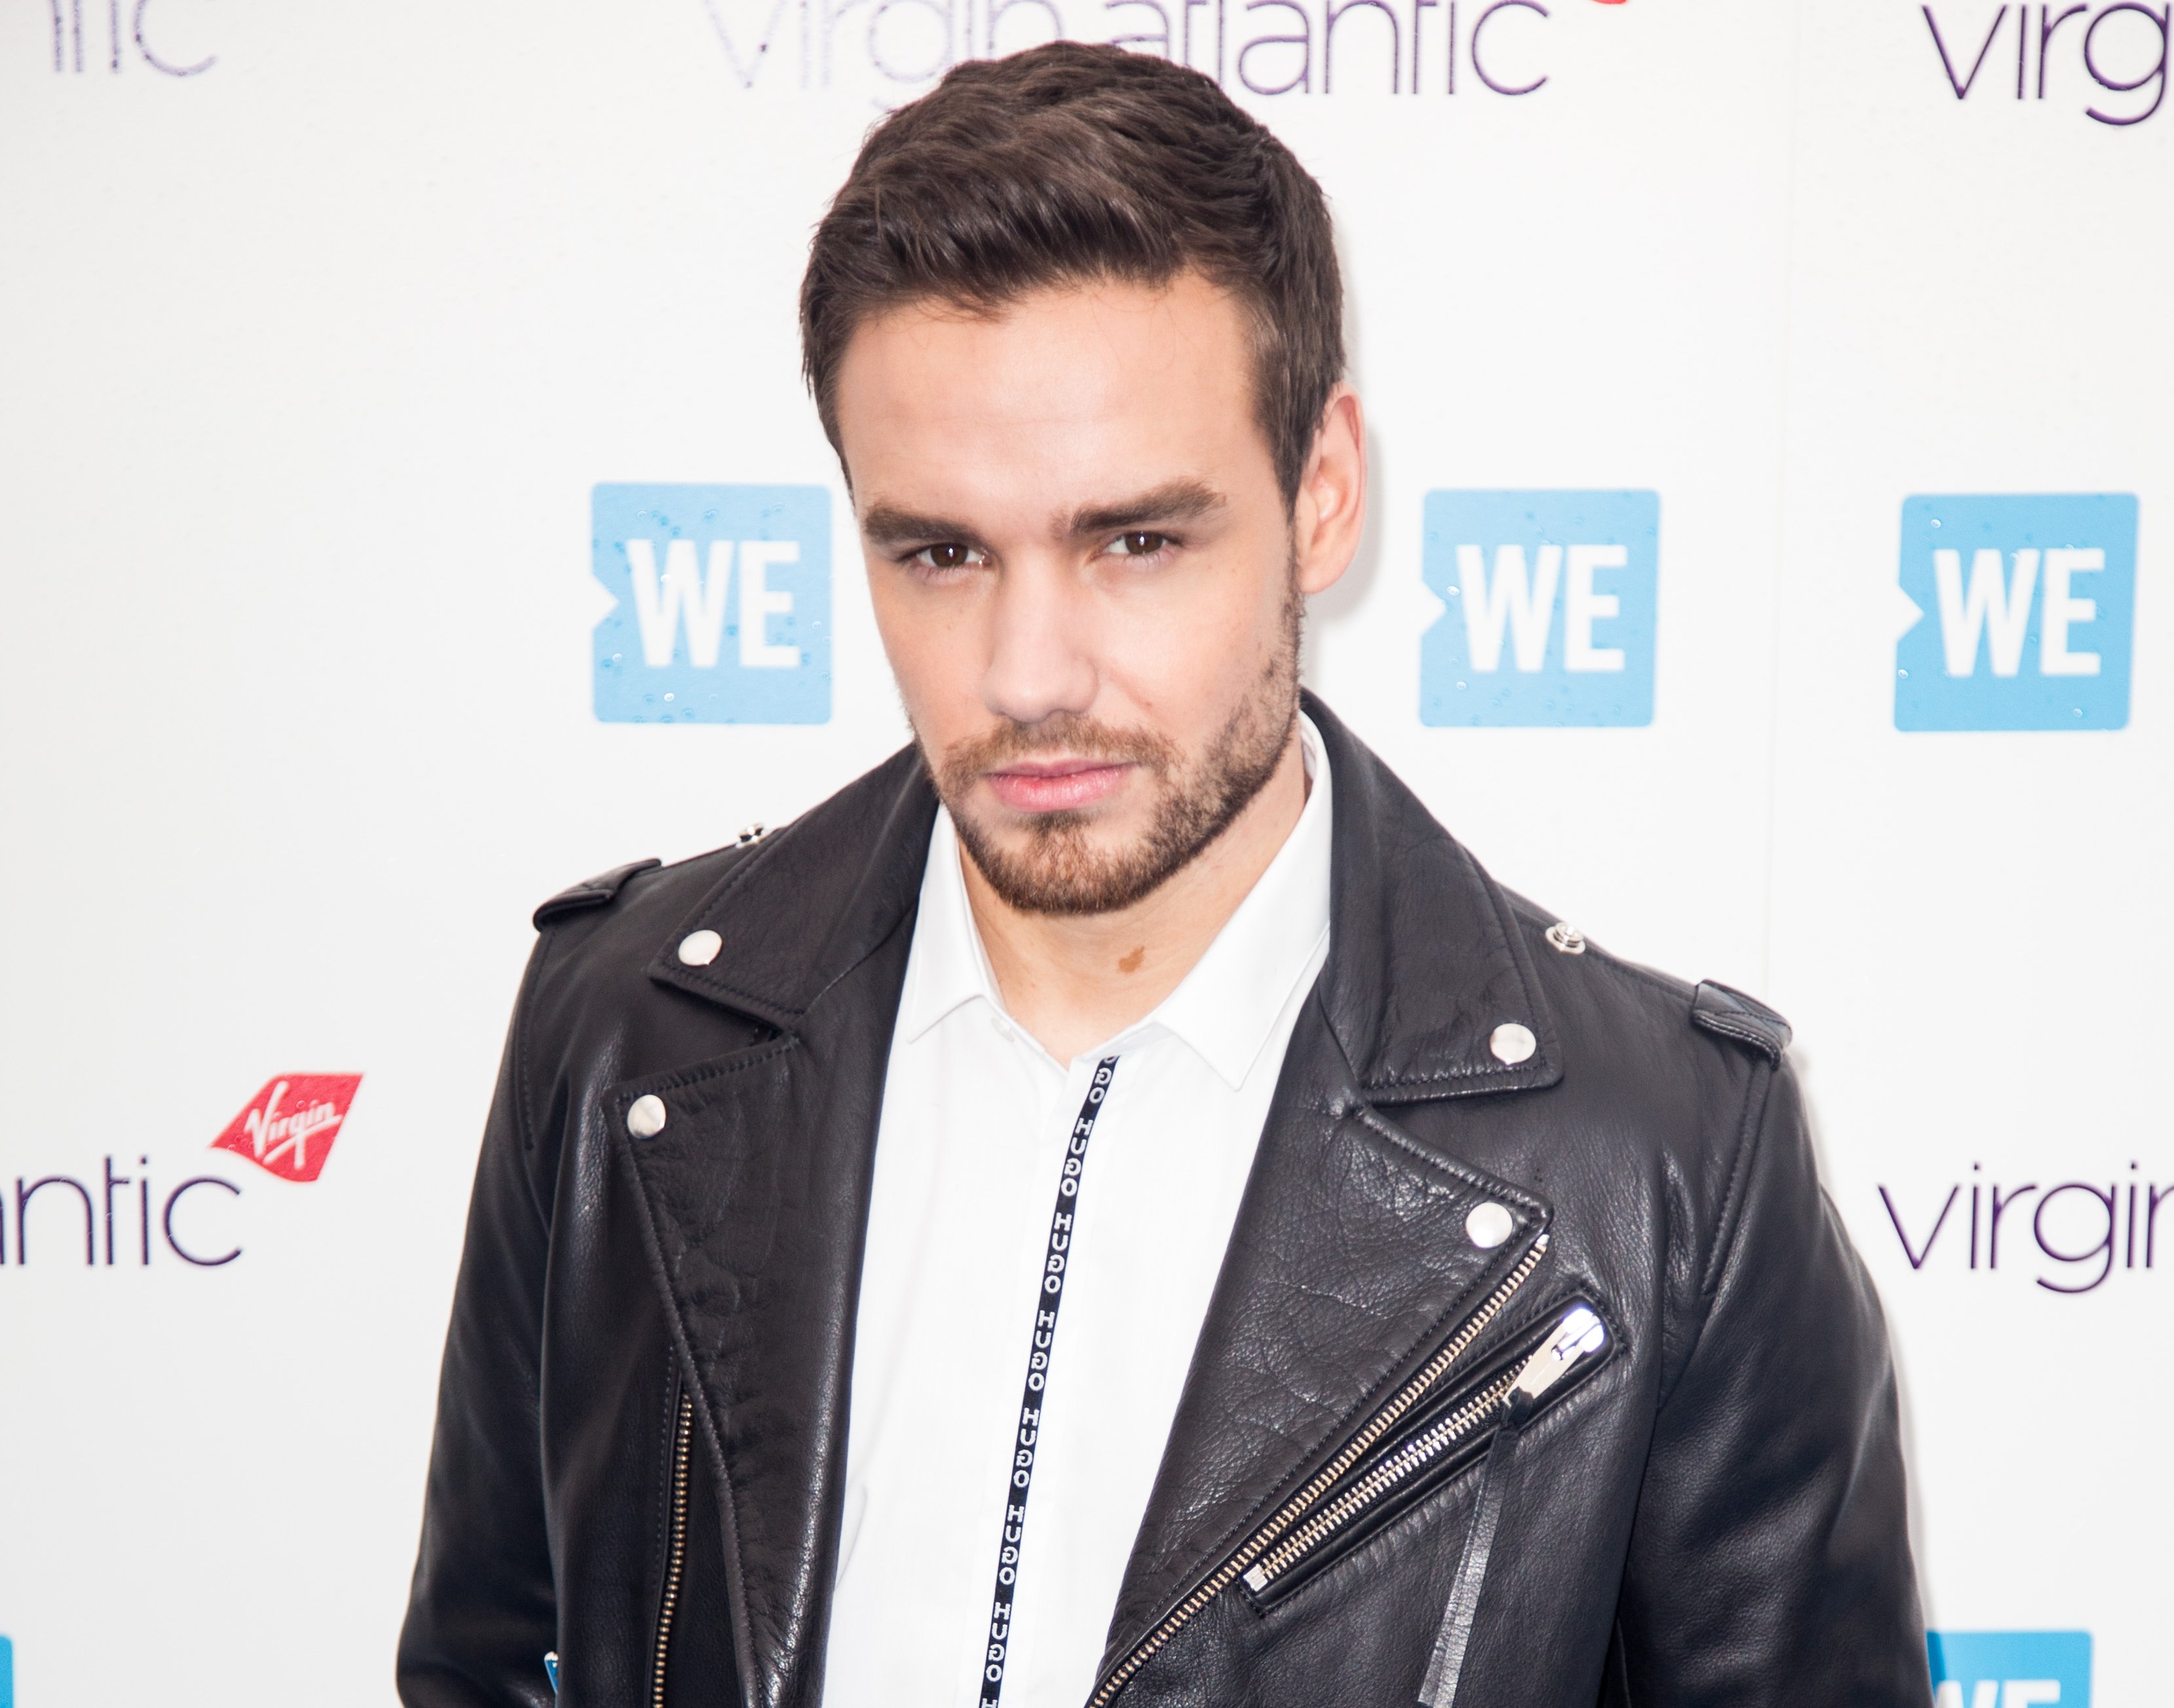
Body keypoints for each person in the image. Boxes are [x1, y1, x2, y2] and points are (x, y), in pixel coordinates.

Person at [398, 41, 1930, 1708]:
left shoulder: (1663, 1163)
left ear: (1322, 494)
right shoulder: (623, 1029)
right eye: (940, 552)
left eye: (1134, 540)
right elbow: (490, 1662)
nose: (1029, 674)